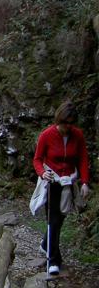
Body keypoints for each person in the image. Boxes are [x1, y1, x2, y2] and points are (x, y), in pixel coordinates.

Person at [32, 100, 91, 276]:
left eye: (71, 123)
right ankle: (53, 261)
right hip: (51, 181)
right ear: (59, 120)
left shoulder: (77, 135)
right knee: (53, 219)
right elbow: (37, 159)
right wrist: (42, 173)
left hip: (68, 181)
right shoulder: (46, 135)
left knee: (61, 218)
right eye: (65, 123)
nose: (67, 127)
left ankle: (45, 244)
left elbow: (82, 159)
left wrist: (85, 182)